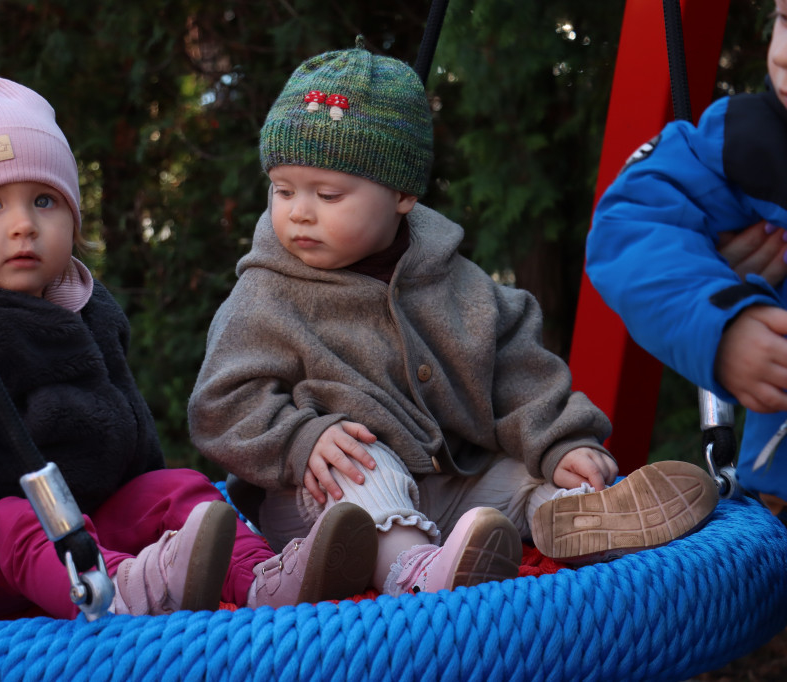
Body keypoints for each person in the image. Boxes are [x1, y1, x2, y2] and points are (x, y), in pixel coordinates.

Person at [0, 74, 378, 622]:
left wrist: (160, 515)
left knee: (178, 485)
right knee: (13, 518)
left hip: (83, 530)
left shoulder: (83, 304)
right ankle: (128, 588)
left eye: (45, 200)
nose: (23, 223)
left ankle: (263, 579)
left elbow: (129, 438)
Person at [187, 39, 718, 598]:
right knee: (363, 466)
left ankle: (576, 515)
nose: (299, 211)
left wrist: (561, 443)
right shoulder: (266, 293)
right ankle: (412, 569)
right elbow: (220, 405)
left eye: (327, 193)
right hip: (322, 500)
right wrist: (301, 439)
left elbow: (517, 371)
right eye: (283, 189)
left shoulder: (453, 280)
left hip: (450, 484)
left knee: (517, 475)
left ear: (402, 195)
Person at [586, 0, 787, 517]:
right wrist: (723, 322)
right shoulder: (751, 146)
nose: (782, 55)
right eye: (785, 20)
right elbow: (631, 226)